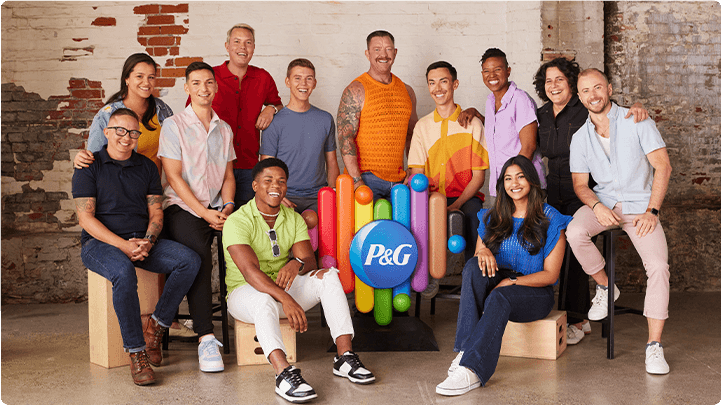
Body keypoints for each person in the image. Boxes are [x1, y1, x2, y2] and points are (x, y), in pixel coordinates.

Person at [224, 158, 375, 403]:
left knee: (329, 276)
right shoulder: (238, 221)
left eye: (281, 181)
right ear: (254, 185)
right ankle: (283, 374)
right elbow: (250, 272)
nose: (276, 186)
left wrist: (297, 263)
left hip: (285, 291)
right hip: (246, 294)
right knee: (263, 300)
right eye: (268, 180)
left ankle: (345, 357)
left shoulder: (292, 218)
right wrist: (285, 299)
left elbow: (309, 261)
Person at [72, 108, 200, 385]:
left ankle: (155, 326)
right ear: (106, 133)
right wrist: (123, 245)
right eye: (119, 130)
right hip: (100, 243)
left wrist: (148, 241)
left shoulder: (145, 167)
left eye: (133, 132)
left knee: (188, 260)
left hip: (140, 240)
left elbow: (156, 212)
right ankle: (136, 351)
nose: (126, 137)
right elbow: (85, 218)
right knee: (124, 273)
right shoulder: (88, 165)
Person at [532, 58, 650, 345]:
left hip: (588, 194)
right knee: (549, 251)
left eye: (560, 79)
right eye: (549, 80)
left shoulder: (584, 108)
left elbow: (611, 108)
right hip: (554, 193)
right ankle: (567, 316)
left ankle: (577, 319)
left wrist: (636, 107)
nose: (554, 85)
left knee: (574, 253)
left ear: (572, 84)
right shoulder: (543, 115)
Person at [436, 155, 571, 396]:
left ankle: (473, 370)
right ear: (502, 184)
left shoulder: (550, 218)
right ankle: (465, 351)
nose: (514, 183)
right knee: (472, 267)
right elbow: (479, 253)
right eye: (508, 178)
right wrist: (484, 249)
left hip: (534, 292)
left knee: (500, 298)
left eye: (520, 177)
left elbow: (551, 275)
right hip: (500, 281)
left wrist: (513, 281)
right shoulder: (494, 215)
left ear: (531, 180)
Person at [567, 68, 672, 375]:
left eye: (597, 88)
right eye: (585, 91)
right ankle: (604, 286)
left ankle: (654, 346)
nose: (593, 95)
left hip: (641, 208)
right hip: (606, 205)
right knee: (575, 230)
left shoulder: (636, 120)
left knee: (658, 267)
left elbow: (662, 167)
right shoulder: (579, 138)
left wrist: (652, 211)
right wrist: (597, 206)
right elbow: (580, 185)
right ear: (580, 96)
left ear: (609, 88)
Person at [159, 62, 236, 373]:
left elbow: (229, 176)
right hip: (180, 206)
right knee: (199, 253)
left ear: (215, 87)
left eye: (208, 83)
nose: (203, 88)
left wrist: (228, 206)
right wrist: (204, 212)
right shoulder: (174, 125)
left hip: (217, 207)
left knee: (244, 241)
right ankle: (206, 337)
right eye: (196, 83)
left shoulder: (225, 129)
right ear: (186, 88)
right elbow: (174, 177)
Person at [408, 61, 489, 297]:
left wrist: (456, 204)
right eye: (432, 83)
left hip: (466, 195)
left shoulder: (472, 123)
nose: (438, 88)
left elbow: (478, 177)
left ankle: (475, 282)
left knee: (477, 222)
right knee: (416, 221)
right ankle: (426, 274)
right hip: (432, 196)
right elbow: (416, 173)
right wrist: (435, 203)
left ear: (454, 84)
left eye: (443, 81)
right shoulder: (422, 127)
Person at [206, 23, 284, 207]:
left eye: (248, 42)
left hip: (249, 166)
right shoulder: (211, 76)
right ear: (227, 46)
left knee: (246, 221)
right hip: (214, 166)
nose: (243, 47)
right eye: (237, 41)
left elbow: (280, 105)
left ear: (254, 48)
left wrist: (270, 108)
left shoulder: (263, 78)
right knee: (216, 221)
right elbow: (193, 113)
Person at [337, 30, 418, 199]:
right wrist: (357, 181)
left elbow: (412, 135)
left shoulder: (407, 91)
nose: (383, 54)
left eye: (388, 49)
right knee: (367, 227)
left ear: (395, 53)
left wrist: (413, 169)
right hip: (366, 178)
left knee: (402, 226)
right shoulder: (356, 89)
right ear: (367, 54)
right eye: (377, 49)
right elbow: (346, 137)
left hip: (400, 181)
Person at [458, 48, 545, 199]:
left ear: (508, 71)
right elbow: (500, 128)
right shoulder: (490, 101)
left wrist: (512, 183)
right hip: (502, 185)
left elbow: (529, 147)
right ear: (482, 74)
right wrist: (476, 113)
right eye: (487, 71)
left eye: (497, 69)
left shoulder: (520, 99)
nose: (492, 75)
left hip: (523, 185)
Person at [259, 58, 339, 214]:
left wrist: (333, 192)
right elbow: (266, 166)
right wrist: (276, 195)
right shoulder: (274, 122)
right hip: (283, 195)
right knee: (291, 227)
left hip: (317, 196)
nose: (303, 83)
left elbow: (332, 161)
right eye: (297, 78)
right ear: (287, 81)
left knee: (311, 221)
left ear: (314, 83)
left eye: (308, 79)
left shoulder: (325, 119)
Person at [73, 53, 173, 176]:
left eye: (151, 77)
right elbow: (93, 159)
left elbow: (175, 152)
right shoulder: (106, 115)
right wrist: (81, 158)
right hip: (120, 189)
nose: (146, 82)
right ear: (127, 79)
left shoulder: (162, 110)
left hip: (154, 189)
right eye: (139, 76)